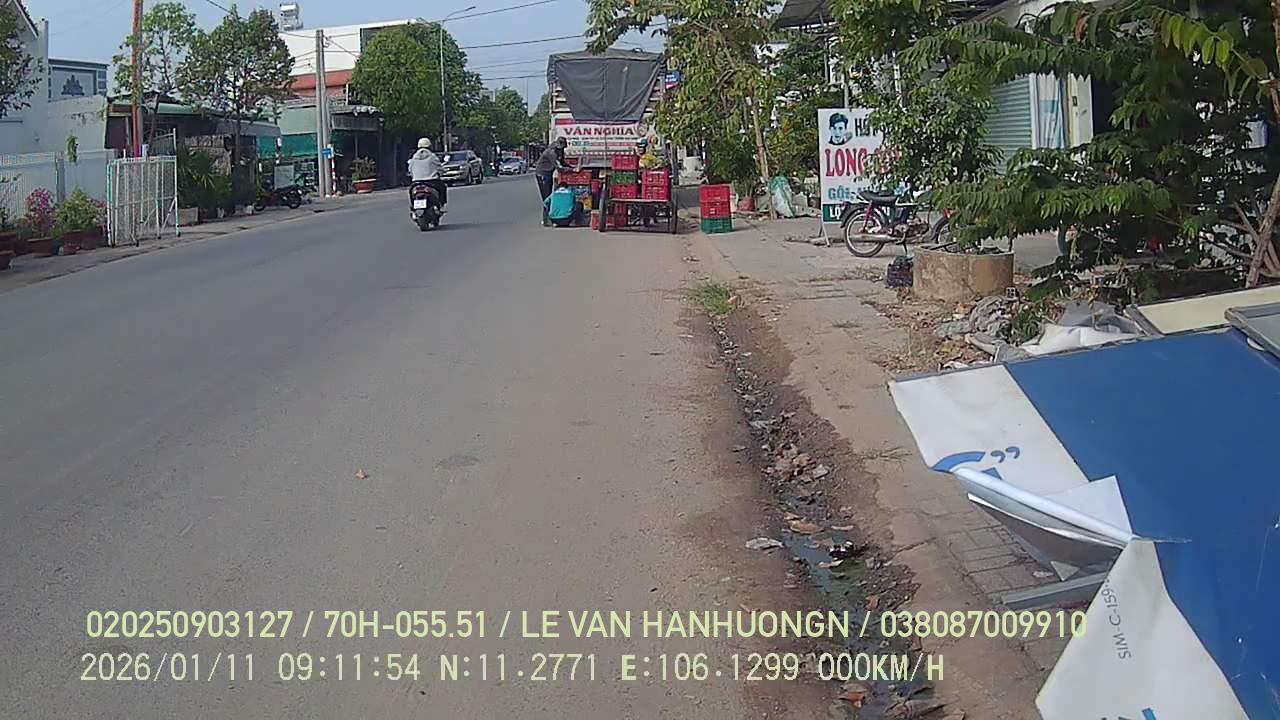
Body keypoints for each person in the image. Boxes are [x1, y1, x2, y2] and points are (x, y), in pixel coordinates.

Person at [534, 137, 570, 226]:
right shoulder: (551, 152)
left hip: (549, 173)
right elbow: (559, 167)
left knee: (550, 195)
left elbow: (562, 162)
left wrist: (571, 167)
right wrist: (572, 170)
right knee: (547, 197)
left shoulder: (559, 151)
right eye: (561, 148)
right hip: (542, 174)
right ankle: (546, 219)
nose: (562, 150)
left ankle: (551, 217)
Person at [407, 137, 447, 211]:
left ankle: (413, 207)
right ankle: (441, 205)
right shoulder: (432, 156)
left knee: (411, 191)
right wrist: (440, 173)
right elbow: (439, 168)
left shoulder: (414, 157)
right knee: (443, 187)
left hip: (416, 182)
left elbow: (410, 169)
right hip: (432, 181)